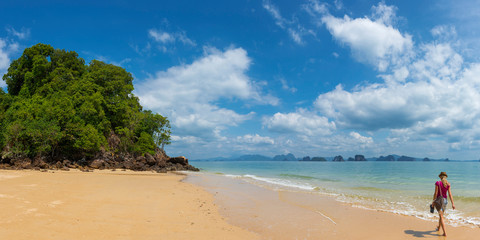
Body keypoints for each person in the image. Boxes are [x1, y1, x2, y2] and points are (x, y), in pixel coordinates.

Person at [431, 172, 455, 236]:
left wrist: (433, 201)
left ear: (440, 177)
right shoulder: (448, 184)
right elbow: (450, 194)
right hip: (445, 201)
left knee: (441, 216)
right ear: (445, 177)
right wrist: (453, 204)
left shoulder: (438, 183)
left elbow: (435, 193)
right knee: (441, 215)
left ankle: (444, 233)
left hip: (439, 201)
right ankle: (439, 228)